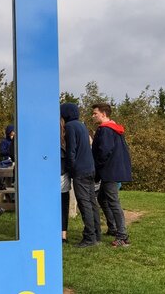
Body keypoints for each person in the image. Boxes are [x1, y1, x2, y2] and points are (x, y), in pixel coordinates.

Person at [91, 102, 133, 247]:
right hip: (113, 170)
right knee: (102, 198)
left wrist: (96, 168)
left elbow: (103, 152)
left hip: (109, 171)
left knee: (113, 202)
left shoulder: (106, 130)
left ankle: (122, 235)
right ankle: (113, 228)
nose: (93, 116)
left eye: (95, 113)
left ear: (103, 113)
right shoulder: (115, 129)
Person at [62, 103, 101, 248]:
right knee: (92, 203)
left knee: (84, 204)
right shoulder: (81, 125)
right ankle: (97, 234)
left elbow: (72, 149)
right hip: (90, 168)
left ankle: (89, 237)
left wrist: (70, 169)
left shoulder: (71, 126)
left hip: (80, 171)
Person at [60, 116, 70, 243]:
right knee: (63, 205)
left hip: (54, 175)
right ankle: (63, 233)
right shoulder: (65, 139)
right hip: (64, 174)